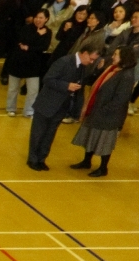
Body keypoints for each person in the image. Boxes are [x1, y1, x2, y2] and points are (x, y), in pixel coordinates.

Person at [28, 42, 103, 170]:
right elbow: (48, 79)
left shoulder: (83, 67)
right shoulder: (64, 61)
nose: (91, 62)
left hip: (61, 107)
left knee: (50, 135)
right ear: (84, 53)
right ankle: (32, 159)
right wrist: (66, 86)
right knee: (38, 133)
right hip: (47, 104)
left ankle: (41, 159)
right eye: (91, 59)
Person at [69, 46, 139, 175]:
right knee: (91, 135)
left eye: (116, 55)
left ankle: (103, 168)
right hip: (97, 109)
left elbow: (121, 99)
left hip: (109, 115)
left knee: (104, 141)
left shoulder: (126, 75)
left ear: (124, 57)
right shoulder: (112, 69)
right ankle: (86, 161)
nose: (113, 56)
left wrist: (104, 109)